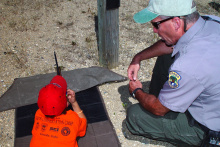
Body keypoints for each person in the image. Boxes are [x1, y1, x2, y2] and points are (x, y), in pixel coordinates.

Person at [126, 0, 220, 146]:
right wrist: (138, 58)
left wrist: (136, 91)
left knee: (134, 116)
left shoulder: (188, 65)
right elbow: (171, 44)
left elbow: (159, 109)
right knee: (168, 53)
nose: (154, 31)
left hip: (208, 127)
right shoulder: (211, 22)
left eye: (156, 24)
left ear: (176, 22)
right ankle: (168, 97)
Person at [30, 75, 87, 147]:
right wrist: (74, 103)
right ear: (66, 103)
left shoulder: (38, 114)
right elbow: (83, 127)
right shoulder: (73, 118)